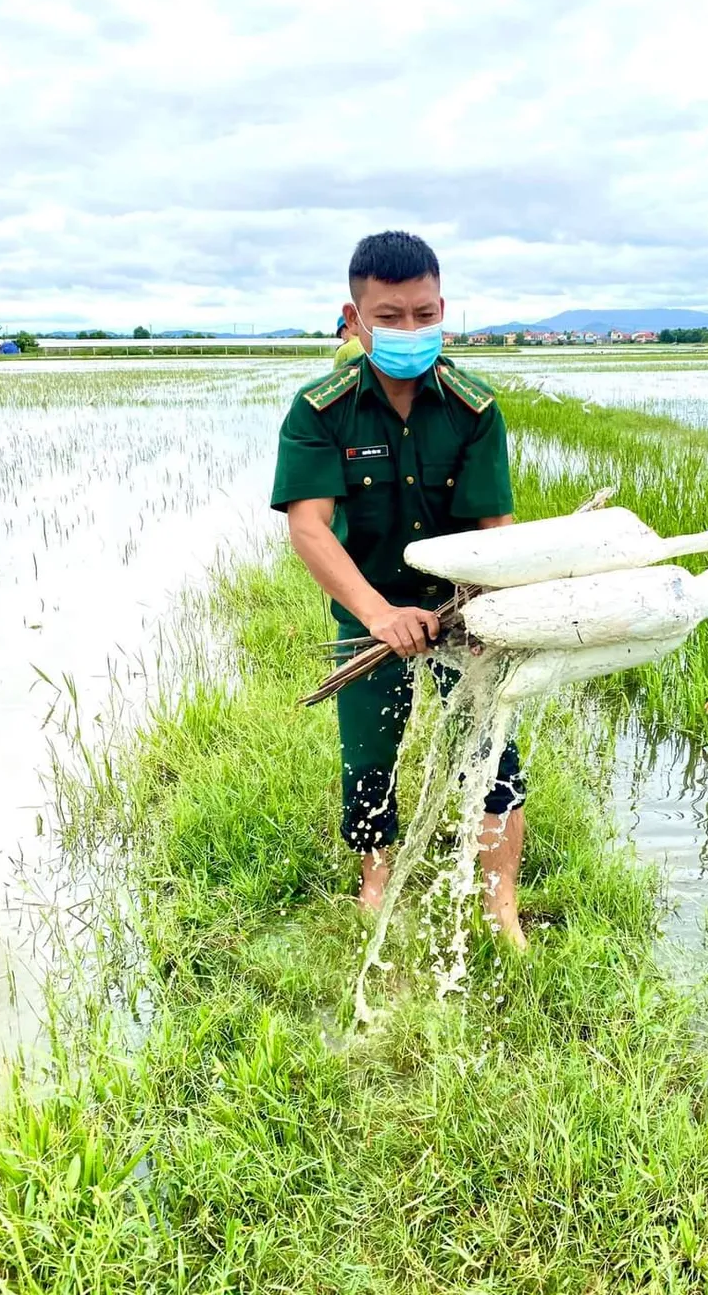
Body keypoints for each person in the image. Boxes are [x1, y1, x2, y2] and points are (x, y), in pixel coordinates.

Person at [271, 230, 527, 948]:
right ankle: (375, 875)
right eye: (390, 316)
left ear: (442, 307)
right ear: (355, 320)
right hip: (368, 604)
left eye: (423, 313)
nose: (409, 329)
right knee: (368, 756)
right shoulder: (320, 411)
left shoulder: (473, 409)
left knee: (493, 749)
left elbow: (495, 526)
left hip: (463, 608)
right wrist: (379, 614)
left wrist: (485, 612)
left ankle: (499, 901)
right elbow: (311, 529)